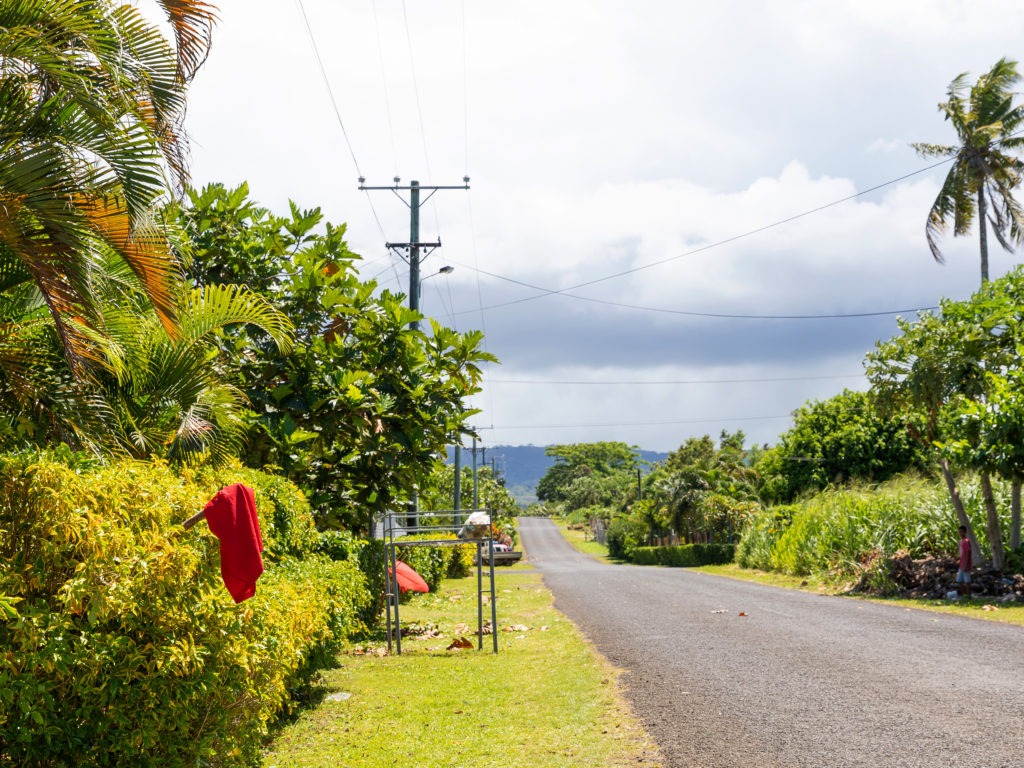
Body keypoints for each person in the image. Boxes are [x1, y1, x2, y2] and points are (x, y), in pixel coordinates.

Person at [956, 525, 972, 599]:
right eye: (959, 532)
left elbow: (967, 553)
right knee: (959, 581)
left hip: (965, 564)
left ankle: (968, 596)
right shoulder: (961, 541)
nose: (960, 533)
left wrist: (965, 564)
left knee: (967, 582)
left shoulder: (966, 541)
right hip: (962, 564)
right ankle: (964, 595)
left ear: (965, 532)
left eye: (961, 532)